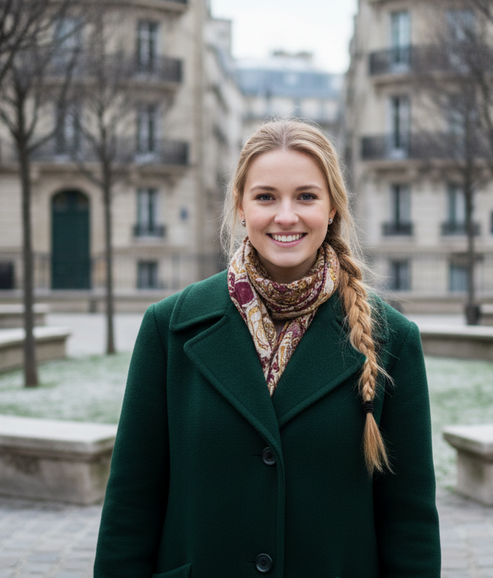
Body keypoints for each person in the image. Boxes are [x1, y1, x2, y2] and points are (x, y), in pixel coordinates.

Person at [93, 119, 441, 578]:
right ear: (240, 206)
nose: (286, 215)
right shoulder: (168, 327)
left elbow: (410, 524)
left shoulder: (392, 338)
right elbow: (131, 506)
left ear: (333, 207)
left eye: (306, 196)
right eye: (265, 197)